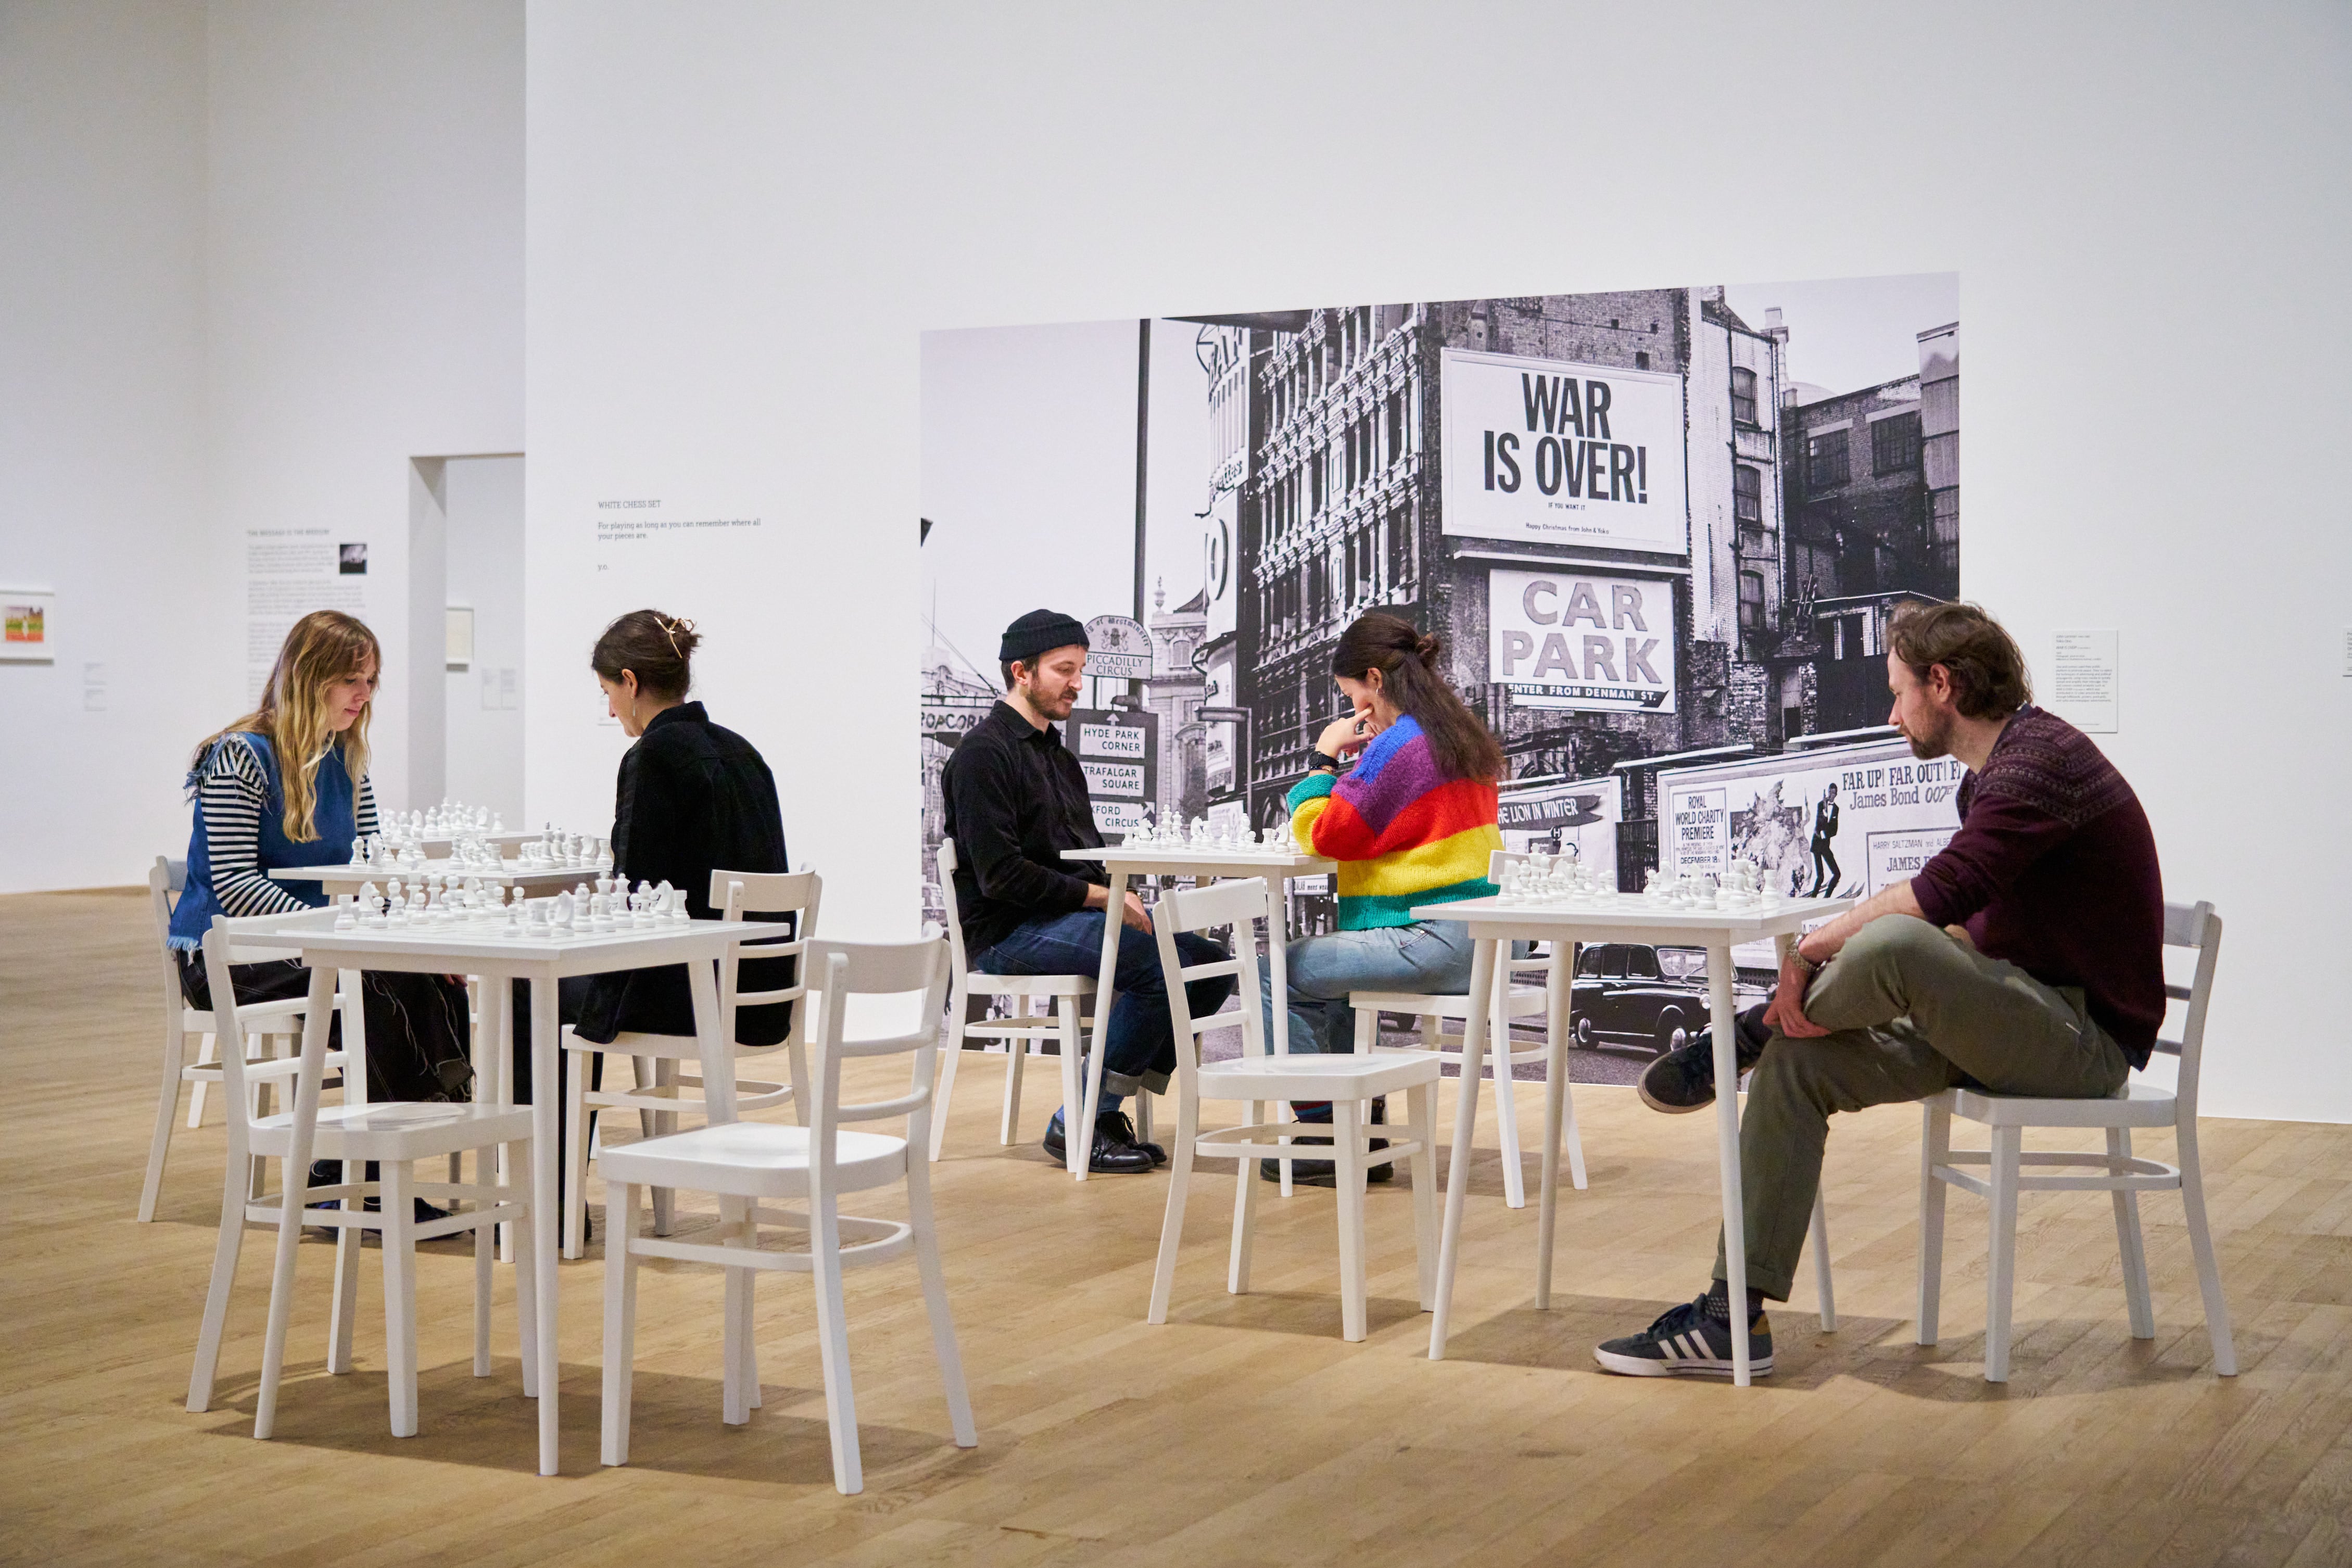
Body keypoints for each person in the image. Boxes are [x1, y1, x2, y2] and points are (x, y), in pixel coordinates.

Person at [1600, 602, 2163, 1378]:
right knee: (1800, 1066)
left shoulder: (2040, 764)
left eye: (1898, 692)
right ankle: (1733, 1315)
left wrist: (1814, 948)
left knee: (1898, 938)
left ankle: (1754, 1031)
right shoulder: (1995, 775)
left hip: (2078, 1044)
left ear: (1942, 685)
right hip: (2009, 1018)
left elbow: (1941, 895)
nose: (1890, 712)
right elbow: (1972, 924)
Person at [168, 611, 474, 1216]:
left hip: (311, 945)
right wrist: (338, 936)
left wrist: (408, 936)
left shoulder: (345, 757)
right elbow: (234, 885)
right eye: (351, 680)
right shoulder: (238, 756)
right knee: (374, 982)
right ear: (310, 678)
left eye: (371, 682)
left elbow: (370, 868)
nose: (364, 696)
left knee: (426, 976)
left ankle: (362, 1165)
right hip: (230, 956)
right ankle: (368, 1178)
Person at [510, 611, 794, 1221]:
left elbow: (634, 892)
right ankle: (551, 1195)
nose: (611, 710)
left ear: (631, 682)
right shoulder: (744, 752)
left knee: (531, 990)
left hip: (693, 994)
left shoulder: (655, 756)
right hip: (762, 994)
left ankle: (550, 1200)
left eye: (608, 693)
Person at [940, 609, 1233, 1175]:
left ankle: (1101, 1109)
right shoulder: (983, 756)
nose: (1078, 682)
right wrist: (1104, 900)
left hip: (1057, 921)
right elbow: (1002, 877)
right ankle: (1082, 1117)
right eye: (1064, 670)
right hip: (1008, 931)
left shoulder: (1057, 756)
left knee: (1211, 965)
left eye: (1081, 669)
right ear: (1021, 672)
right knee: (1158, 967)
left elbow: (1084, 855)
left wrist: (1119, 897)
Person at [1260, 613, 1504, 1185]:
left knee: (1273, 973)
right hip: (1483, 939)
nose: (1355, 715)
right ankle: (1361, 1134)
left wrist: (1323, 757)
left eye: (1354, 699)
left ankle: (1324, 1135)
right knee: (1336, 982)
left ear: (1374, 678)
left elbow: (1326, 833)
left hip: (1435, 940)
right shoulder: (1455, 733)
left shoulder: (1402, 745)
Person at [1804, 782, 1841, 896]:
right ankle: (1813, 898)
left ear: (1836, 795)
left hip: (1825, 845)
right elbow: (1818, 824)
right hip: (1817, 845)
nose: (1831, 795)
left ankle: (1826, 898)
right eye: (1830, 792)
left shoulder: (1836, 809)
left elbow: (1834, 830)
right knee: (1820, 876)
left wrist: (1825, 833)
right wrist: (1825, 811)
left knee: (1836, 874)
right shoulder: (1821, 805)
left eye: (1833, 793)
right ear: (1828, 792)